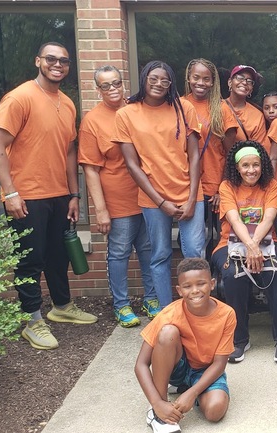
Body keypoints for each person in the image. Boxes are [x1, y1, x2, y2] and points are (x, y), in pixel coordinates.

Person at [0, 41, 97, 350]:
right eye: (51, 58)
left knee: (58, 256)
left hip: (59, 194)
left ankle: (61, 306)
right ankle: (32, 320)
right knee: (30, 259)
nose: (57, 64)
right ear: (38, 61)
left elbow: (69, 151)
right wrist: (11, 193)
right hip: (27, 196)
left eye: (64, 60)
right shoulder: (20, 98)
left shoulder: (67, 102)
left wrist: (74, 194)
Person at [116, 60, 205, 309]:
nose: (159, 84)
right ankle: (167, 311)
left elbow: (194, 155)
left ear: (171, 84)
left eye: (165, 80)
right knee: (160, 254)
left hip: (190, 193)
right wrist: (160, 202)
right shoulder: (126, 114)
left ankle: (197, 309)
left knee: (194, 253)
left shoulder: (183, 108)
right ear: (143, 79)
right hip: (153, 198)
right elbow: (132, 165)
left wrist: (191, 198)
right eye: (153, 78)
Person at [79, 65, 155, 328]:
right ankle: (121, 305)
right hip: (118, 199)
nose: (112, 89)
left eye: (116, 83)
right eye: (105, 85)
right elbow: (90, 169)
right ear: (97, 89)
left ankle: (151, 299)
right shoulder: (92, 121)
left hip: (148, 196)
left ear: (124, 83)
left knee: (149, 250)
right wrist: (100, 210)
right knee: (120, 253)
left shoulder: (137, 109)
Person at [210, 141, 277, 363]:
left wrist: (253, 245)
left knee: (273, 272)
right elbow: (234, 220)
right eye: (245, 165)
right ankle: (239, 340)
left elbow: (269, 217)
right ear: (237, 167)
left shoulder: (271, 185)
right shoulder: (227, 186)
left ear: (262, 165)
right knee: (232, 275)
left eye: (256, 165)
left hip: (268, 241)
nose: (251, 170)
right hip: (228, 243)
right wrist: (251, 246)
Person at [134, 258, 235, 433]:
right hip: (177, 369)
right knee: (168, 333)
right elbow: (141, 364)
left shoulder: (227, 314)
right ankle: (159, 414)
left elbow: (220, 363)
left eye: (201, 284)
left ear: (212, 284)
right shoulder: (169, 314)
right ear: (179, 290)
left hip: (205, 370)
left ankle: (188, 389)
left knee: (215, 411)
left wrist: (192, 393)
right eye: (187, 286)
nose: (195, 290)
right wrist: (156, 403)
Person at [183, 58, 238, 259]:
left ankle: (219, 278)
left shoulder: (221, 108)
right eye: (196, 77)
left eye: (206, 79)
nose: (201, 82)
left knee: (221, 242)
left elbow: (231, 153)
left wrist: (222, 188)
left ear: (213, 82)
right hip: (187, 187)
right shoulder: (179, 105)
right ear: (188, 78)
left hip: (214, 186)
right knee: (191, 244)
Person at [224, 65, 269, 146]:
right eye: (240, 78)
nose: (244, 83)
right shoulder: (217, 107)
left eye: (249, 81)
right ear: (230, 82)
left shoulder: (257, 116)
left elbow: (257, 148)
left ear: (251, 89)